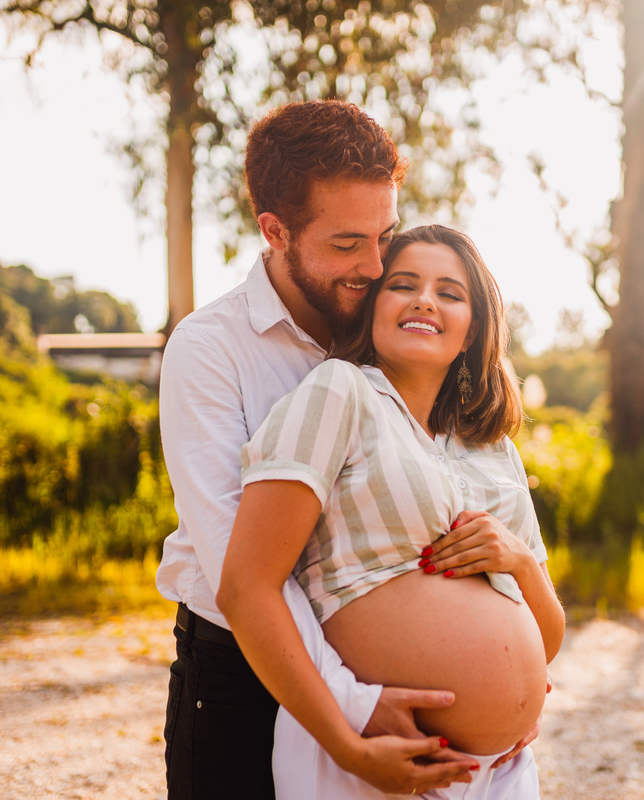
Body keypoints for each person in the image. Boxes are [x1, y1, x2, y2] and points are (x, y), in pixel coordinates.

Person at [158, 102, 493, 799]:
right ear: (275, 231)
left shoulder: (388, 325)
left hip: (375, 665)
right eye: (347, 244)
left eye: (386, 235)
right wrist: (351, 708)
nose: (376, 266)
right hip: (241, 677)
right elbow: (239, 572)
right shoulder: (210, 350)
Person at [219, 224, 566, 798]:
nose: (425, 299)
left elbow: (547, 643)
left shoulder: (495, 449)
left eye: (449, 292)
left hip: (501, 774)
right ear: (373, 308)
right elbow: (245, 588)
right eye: (403, 285)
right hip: (373, 761)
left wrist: (521, 563)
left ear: (471, 330)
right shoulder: (340, 392)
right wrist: (347, 745)